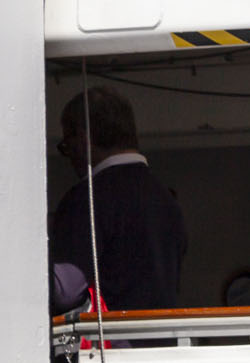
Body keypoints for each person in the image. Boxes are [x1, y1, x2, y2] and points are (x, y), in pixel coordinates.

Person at [49, 88, 186, 312]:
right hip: (162, 342)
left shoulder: (87, 198)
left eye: (67, 146)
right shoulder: (166, 198)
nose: (70, 157)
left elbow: (65, 289)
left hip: (111, 343)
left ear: (84, 139)